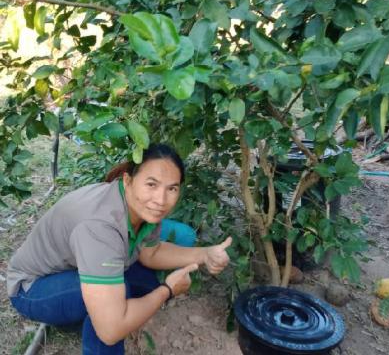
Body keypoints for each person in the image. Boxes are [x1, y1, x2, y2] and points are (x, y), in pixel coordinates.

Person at [7, 144, 231, 354]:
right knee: (117, 308)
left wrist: (205, 253)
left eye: (171, 188)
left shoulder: (141, 207)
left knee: (145, 285)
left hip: (76, 266)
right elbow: (111, 330)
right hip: (32, 288)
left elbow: (151, 253)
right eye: (151, 184)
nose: (161, 199)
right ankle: (82, 315)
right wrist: (168, 290)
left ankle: (81, 315)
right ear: (128, 180)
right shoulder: (100, 227)